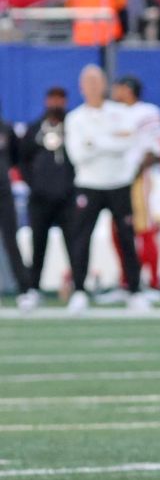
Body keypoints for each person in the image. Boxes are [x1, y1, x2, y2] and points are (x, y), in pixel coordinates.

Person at [64, 65, 150, 313]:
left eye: (96, 82)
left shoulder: (119, 112)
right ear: (81, 87)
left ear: (104, 85)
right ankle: (79, 290)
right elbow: (78, 154)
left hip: (118, 183)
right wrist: (109, 141)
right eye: (88, 83)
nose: (92, 87)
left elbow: (129, 142)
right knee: (80, 239)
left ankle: (134, 290)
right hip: (88, 184)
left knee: (126, 238)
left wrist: (96, 141)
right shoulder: (75, 118)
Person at [16, 87, 76, 312]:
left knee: (74, 244)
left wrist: (72, 185)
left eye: (60, 99)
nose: (56, 104)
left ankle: (78, 287)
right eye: (53, 99)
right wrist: (35, 183)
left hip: (67, 197)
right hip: (40, 198)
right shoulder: (34, 129)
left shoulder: (74, 126)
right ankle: (33, 288)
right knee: (38, 245)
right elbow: (22, 159)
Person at [111, 76, 160, 294]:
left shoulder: (147, 112)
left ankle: (152, 281)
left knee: (144, 228)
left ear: (128, 89)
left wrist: (135, 172)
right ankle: (126, 280)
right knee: (117, 230)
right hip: (114, 179)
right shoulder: (112, 112)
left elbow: (153, 150)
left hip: (137, 178)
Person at [0, 105, 29, 303]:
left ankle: (25, 290)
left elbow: (16, 158)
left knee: (11, 240)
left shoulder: (5, 128)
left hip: (3, 191)